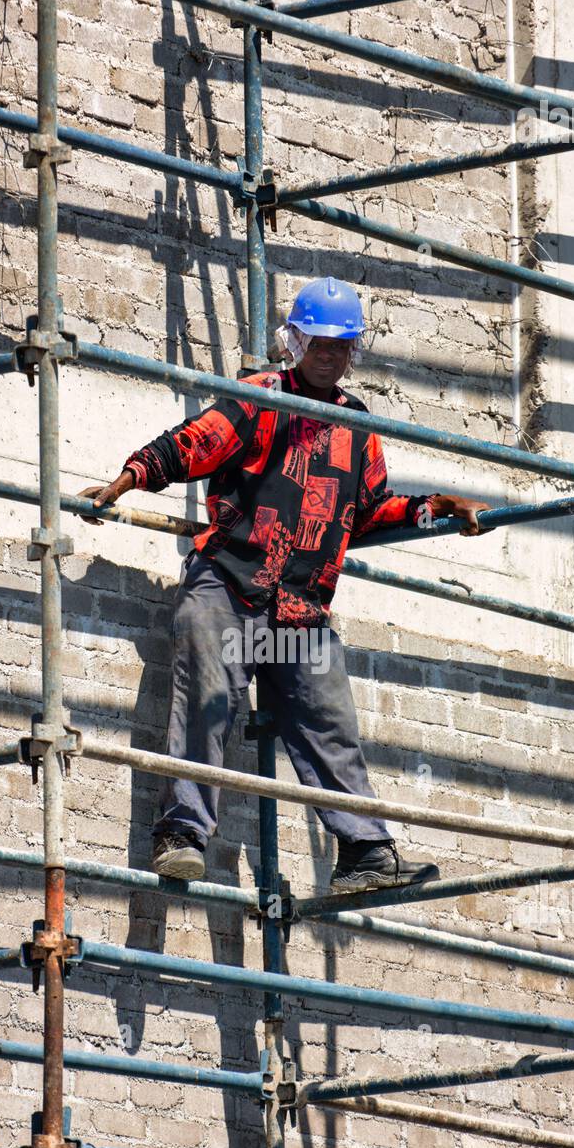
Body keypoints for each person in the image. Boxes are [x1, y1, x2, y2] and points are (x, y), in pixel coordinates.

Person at [81, 277, 490, 892]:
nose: (330, 353)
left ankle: (364, 855)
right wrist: (130, 477)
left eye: (341, 344)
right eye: (319, 341)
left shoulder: (356, 424)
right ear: (294, 341)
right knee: (208, 700)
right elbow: (195, 443)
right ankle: (182, 834)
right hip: (229, 588)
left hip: (298, 612)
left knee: (329, 720)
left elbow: (369, 508)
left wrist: (435, 508)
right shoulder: (261, 398)